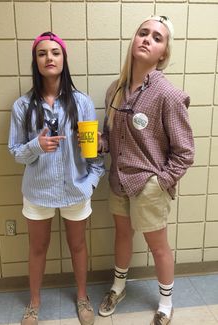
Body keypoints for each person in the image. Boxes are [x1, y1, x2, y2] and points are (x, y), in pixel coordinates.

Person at [98, 15, 194, 325]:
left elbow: (185, 151)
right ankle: (118, 287)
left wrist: (161, 182)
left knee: (158, 245)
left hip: (148, 185)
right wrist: (100, 142)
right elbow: (112, 137)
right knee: (122, 235)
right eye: (143, 33)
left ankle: (166, 303)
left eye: (156, 37)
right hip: (118, 180)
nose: (147, 39)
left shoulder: (168, 95)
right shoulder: (116, 89)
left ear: (163, 53)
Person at [8, 32, 104, 325]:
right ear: (35, 62)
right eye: (41, 53)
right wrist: (36, 145)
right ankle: (34, 303)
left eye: (55, 52)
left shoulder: (82, 102)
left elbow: (95, 156)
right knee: (37, 248)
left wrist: (88, 184)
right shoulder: (23, 107)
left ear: (64, 59)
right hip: (38, 192)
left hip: (76, 190)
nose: (49, 58)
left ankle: (83, 296)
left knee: (78, 246)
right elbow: (15, 152)